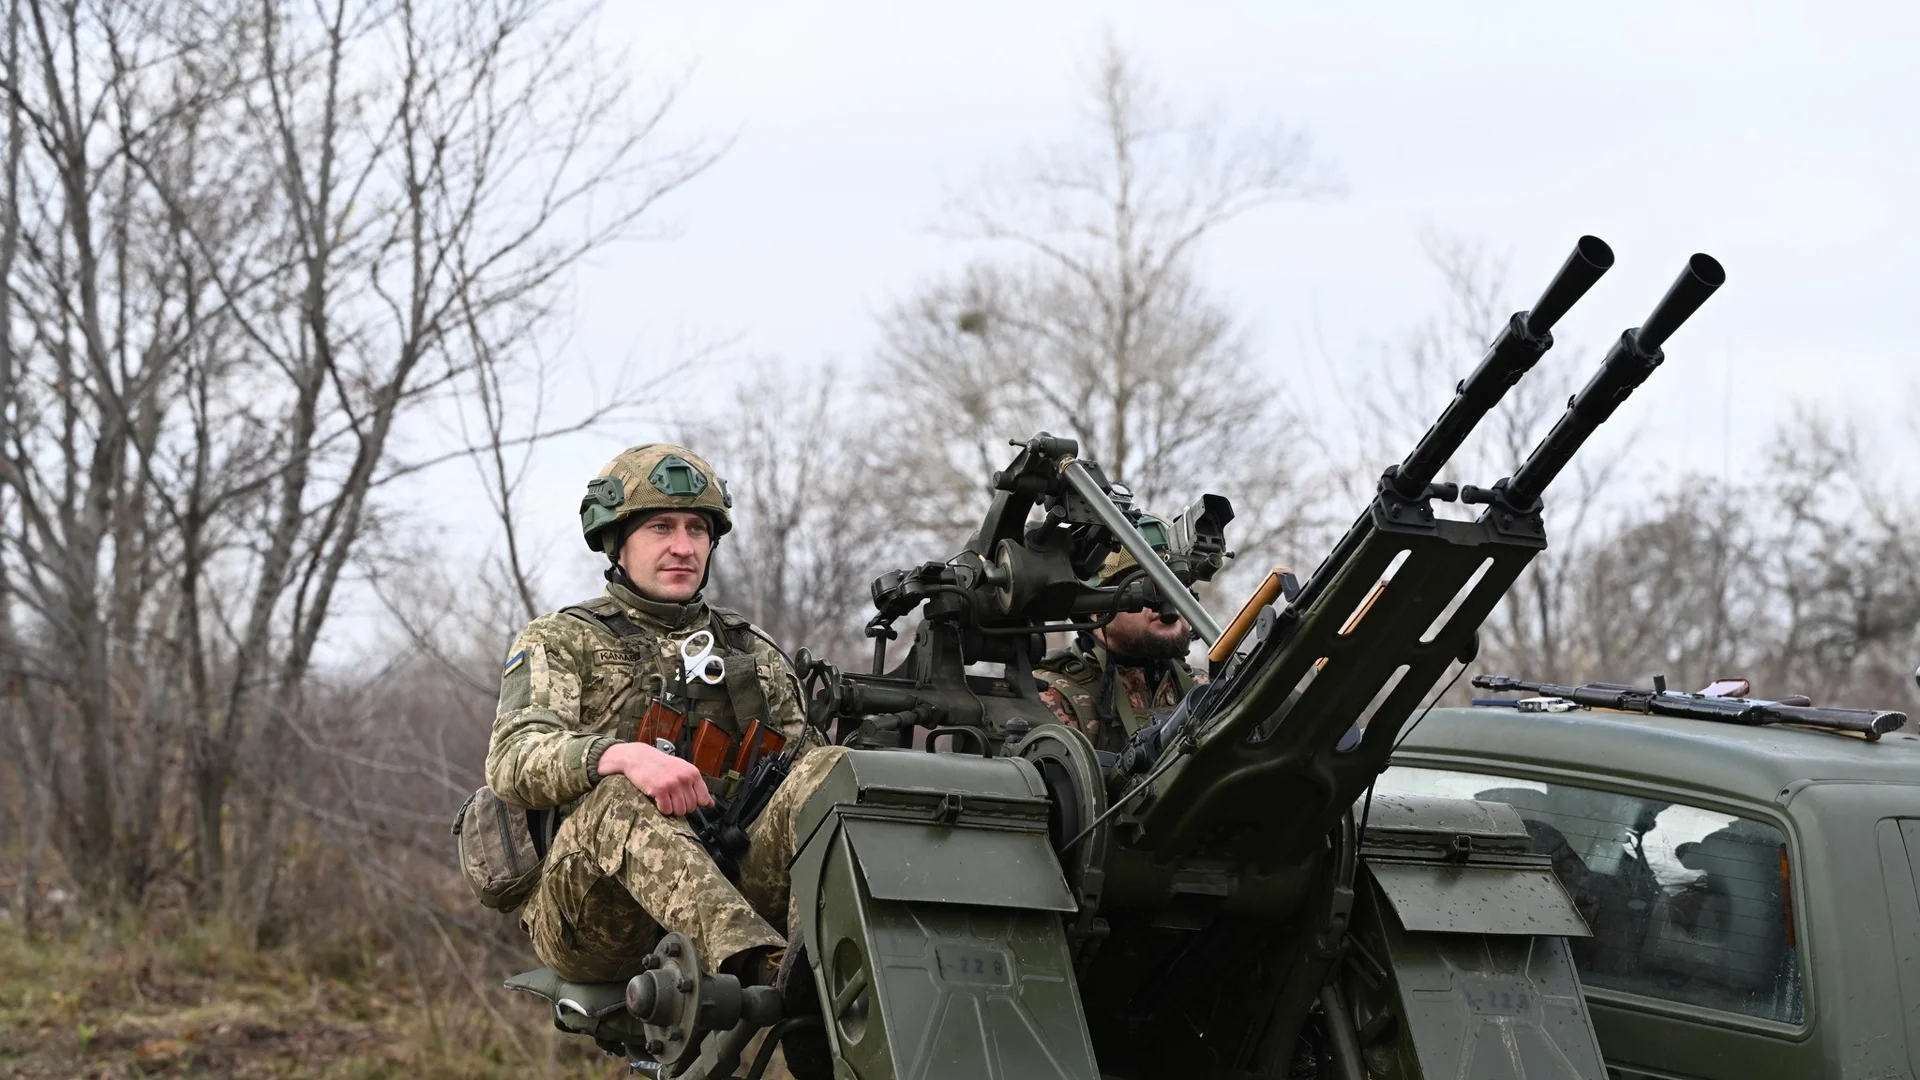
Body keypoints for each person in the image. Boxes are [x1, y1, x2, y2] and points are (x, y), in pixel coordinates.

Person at [485, 443, 841, 988]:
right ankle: (768, 974)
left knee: (832, 773)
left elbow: (806, 776)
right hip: (596, 917)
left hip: (734, 874)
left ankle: (823, 971)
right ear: (617, 542)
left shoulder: (752, 649)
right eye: (660, 528)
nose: (682, 547)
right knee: (624, 790)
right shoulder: (564, 639)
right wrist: (620, 756)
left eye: (696, 529)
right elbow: (513, 759)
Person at [1035, 517, 1203, 753]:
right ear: (1095, 608)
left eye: (1177, 583)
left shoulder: (1207, 690)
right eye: (1144, 586)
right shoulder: (1053, 699)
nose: (1167, 599)